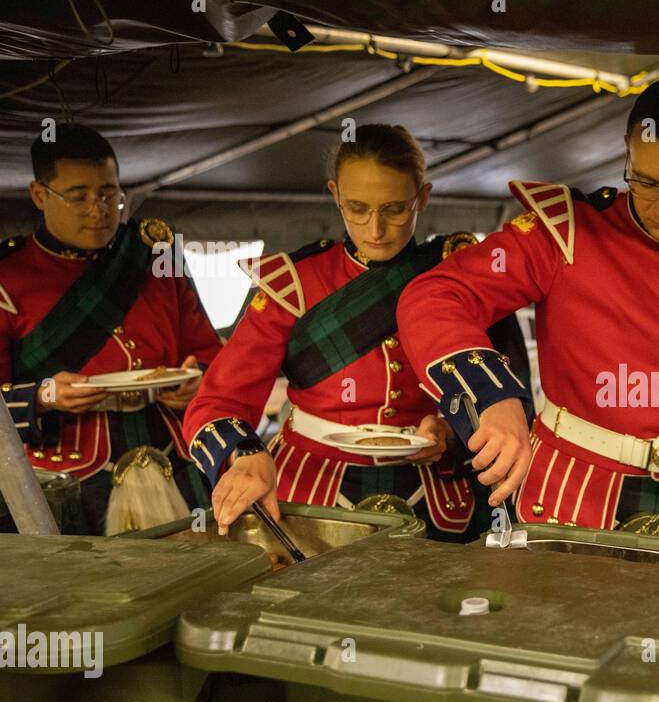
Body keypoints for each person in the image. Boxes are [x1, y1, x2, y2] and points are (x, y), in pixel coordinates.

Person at [396, 72, 659, 546]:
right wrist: (492, 395)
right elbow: (435, 297)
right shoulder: (562, 232)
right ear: (627, 152)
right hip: (570, 498)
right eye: (646, 182)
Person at [183, 124, 529, 541]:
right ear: (334, 195)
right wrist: (246, 453)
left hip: (435, 494)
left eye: (395, 209)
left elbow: (507, 396)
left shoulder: (459, 274)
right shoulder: (292, 283)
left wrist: (451, 434)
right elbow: (220, 399)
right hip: (313, 490)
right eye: (357, 208)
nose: (375, 229)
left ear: (423, 197)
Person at [0, 124, 218, 534]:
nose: (98, 209)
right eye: (79, 196)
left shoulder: (154, 253)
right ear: (39, 195)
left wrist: (195, 380)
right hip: (70, 471)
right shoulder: (7, 275)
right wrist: (45, 396)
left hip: (174, 453)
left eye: (109, 194)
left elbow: (208, 352)